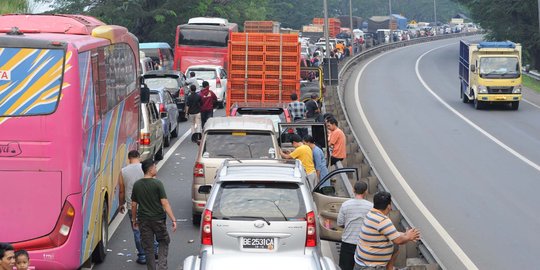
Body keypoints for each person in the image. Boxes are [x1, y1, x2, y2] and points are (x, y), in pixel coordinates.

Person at [354, 191, 420, 270]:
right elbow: (398, 240)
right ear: (389, 206)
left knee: (394, 247)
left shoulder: (371, 214)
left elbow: (391, 234)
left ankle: (390, 268)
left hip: (363, 262)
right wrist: (409, 237)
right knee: (395, 244)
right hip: (370, 266)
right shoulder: (382, 220)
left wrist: (405, 235)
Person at [131, 159, 177, 270]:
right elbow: (165, 203)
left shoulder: (137, 185)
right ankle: (162, 267)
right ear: (151, 169)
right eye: (155, 167)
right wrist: (173, 220)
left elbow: (133, 205)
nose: (156, 169)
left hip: (143, 220)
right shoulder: (157, 183)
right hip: (158, 219)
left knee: (148, 247)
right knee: (163, 241)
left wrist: (134, 220)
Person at [119, 150, 156, 265]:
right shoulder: (145, 168)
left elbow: (121, 191)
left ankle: (142, 256)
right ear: (139, 158)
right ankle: (154, 251)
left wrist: (121, 204)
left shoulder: (123, 171)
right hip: (148, 204)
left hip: (132, 206)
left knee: (137, 231)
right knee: (150, 228)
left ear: (129, 158)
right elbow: (154, 183)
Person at [337, 182, 372, 270]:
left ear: (353, 190)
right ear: (366, 192)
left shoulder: (345, 204)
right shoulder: (371, 206)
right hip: (364, 244)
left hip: (347, 242)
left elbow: (340, 223)